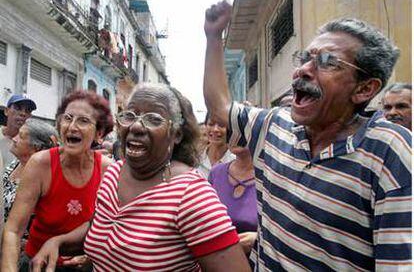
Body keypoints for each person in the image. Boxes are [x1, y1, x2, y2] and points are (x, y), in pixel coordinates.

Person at [203, 1, 411, 271]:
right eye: (305, 58)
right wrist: (213, 37)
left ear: (364, 89)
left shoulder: (389, 151)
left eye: (326, 62)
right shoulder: (273, 126)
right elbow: (220, 108)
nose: (303, 70)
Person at [30, 84, 250, 271]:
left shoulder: (191, 195)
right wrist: (58, 242)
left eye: (153, 119)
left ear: (177, 134)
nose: (136, 126)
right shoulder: (114, 173)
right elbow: (99, 226)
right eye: (129, 116)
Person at [2, 90, 114, 271]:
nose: (72, 127)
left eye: (83, 121)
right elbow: (13, 230)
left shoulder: (108, 170)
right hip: (37, 264)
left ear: (99, 134)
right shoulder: (40, 163)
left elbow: (109, 226)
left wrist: (93, 254)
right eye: (68, 118)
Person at [3, 118, 58, 222]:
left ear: (37, 147)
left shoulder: (42, 179)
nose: (14, 139)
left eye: (21, 136)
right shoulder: (16, 163)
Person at [209, 146, 257, 255]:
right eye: (231, 130)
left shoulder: (269, 177)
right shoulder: (216, 172)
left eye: (242, 129)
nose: (236, 136)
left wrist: (257, 240)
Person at [0, 94, 37, 170]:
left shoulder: (31, 146)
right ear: (6, 111)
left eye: (28, 111)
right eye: (18, 108)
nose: (23, 113)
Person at [198, 113, 235, 178]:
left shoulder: (235, 161)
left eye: (221, 125)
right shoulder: (196, 158)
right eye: (211, 124)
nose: (215, 129)